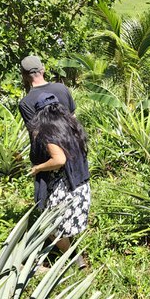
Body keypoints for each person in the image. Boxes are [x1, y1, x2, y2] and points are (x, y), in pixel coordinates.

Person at [28, 91, 91, 266]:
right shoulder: (70, 126)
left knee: (49, 226)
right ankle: (74, 252)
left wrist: (37, 168)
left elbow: (59, 160)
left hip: (64, 188)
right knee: (66, 223)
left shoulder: (47, 132)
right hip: (80, 185)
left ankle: (73, 258)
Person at [19, 55, 76, 127]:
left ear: (24, 75)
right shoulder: (62, 88)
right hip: (72, 137)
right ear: (43, 69)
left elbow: (34, 132)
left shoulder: (25, 103)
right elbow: (73, 118)